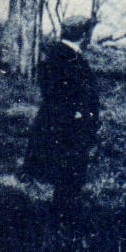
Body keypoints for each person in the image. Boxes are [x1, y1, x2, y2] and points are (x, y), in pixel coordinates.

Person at [20, 16, 102, 217]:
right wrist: (80, 115)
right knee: (68, 180)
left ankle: (60, 220)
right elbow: (64, 94)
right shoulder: (69, 58)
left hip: (59, 125)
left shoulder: (55, 55)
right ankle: (63, 224)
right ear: (83, 35)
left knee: (64, 180)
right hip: (69, 129)